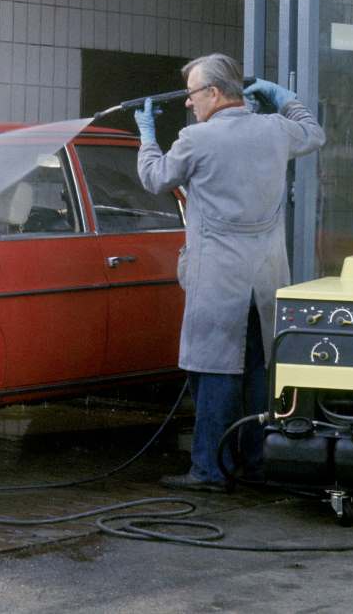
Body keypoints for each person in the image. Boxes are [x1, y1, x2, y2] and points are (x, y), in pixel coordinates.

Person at [134, 53, 325, 493]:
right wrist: (287, 99)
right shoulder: (277, 129)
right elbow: (315, 134)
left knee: (213, 373)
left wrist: (146, 137)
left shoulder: (195, 139)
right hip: (266, 279)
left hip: (218, 280)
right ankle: (255, 464)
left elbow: (155, 178)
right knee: (258, 373)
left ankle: (208, 471)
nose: (188, 103)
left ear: (215, 93)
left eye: (192, 94)